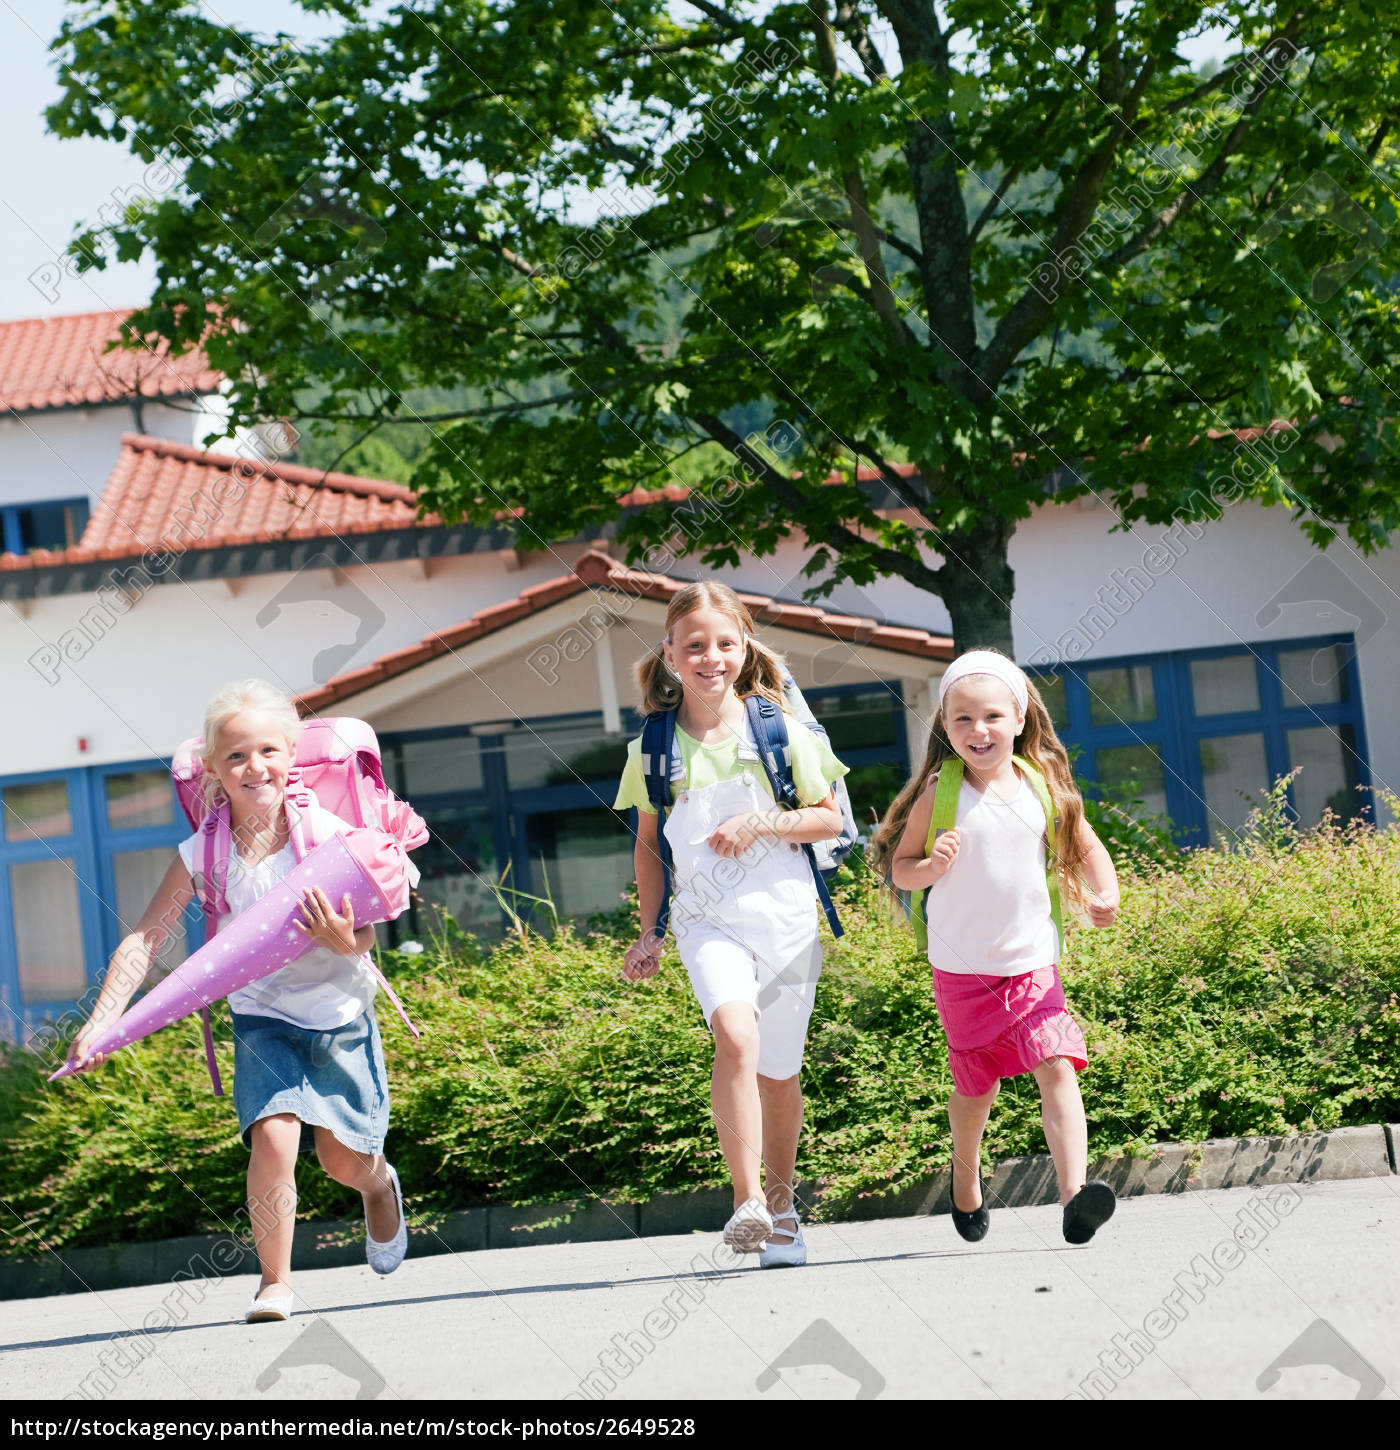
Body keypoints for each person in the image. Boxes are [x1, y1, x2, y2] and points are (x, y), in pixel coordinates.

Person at [71, 679, 407, 1320]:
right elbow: (145, 938)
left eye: (268, 751)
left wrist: (345, 938)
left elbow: (366, 926)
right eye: (236, 757)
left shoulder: (326, 831)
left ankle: (377, 1183)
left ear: (291, 755)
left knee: (341, 1160)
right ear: (213, 771)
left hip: (338, 1012)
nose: (255, 768)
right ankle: (274, 1282)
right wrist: (100, 1023)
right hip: (261, 1015)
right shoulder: (204, 851)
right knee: (274, 1137)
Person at [614, 583, 848, 1267]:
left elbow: (829, 817)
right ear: (670, 653)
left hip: (786, 920)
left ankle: (782, 1210)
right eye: (695, 646)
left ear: (744, 647)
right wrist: (650, 929)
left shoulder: (778, 729)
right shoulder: (653, 747)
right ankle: (747, 1202)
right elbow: (648, 845)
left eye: (724, 643)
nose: (710, 657)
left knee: (779, 1074)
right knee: (736, 1038)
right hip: (704, 921)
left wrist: (761, 822)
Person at [869, 648, 1121, 1245]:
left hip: (1033, 963)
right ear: (946, 727)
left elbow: (1086, 847)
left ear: (1019, 719)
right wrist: (929, 865)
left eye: (991, 717)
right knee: (975, 1089)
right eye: (961, 720)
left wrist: (1104, 894)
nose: (977, 731)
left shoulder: (1043, 786)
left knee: (1057, 1066)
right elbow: (899, 869)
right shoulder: (941, 790)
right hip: (963, 972)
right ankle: (965, 1176)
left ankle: (1074, 1196)